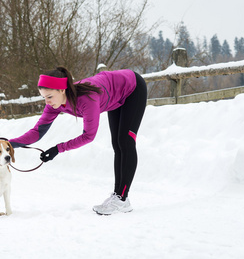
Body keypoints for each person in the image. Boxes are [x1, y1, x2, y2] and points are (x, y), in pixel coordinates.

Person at [8, 66, 147, 215]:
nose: (47, 102)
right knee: (117, 144)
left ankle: (122, 199)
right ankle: (118, 196)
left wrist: (58, 148)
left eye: (49, 96)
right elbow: (37, 132)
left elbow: (89, 136)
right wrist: (9, 143)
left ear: (62, 90)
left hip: (132, 88)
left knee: (125, 142)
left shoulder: (87, 99)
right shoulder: (54, 105)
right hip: (114, 95)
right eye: (44, 97)